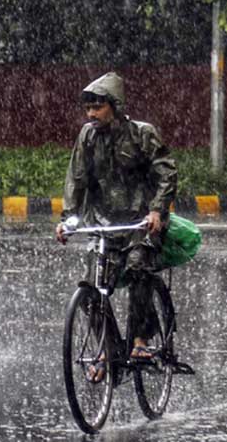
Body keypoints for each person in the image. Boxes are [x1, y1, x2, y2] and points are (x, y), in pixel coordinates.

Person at [55, 72, 177, 381]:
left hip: (141, 224)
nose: (91, 114)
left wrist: (156, 211)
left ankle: (140, 341)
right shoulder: (87, 136)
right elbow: (77, 179)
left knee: (138, 268)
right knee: (91, 288)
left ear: (116, 106)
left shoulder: (142, 134)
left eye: (98, 107)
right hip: (104, 226)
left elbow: (166, 173)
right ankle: (109, 351)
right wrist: (68, 219)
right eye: (88, 109)